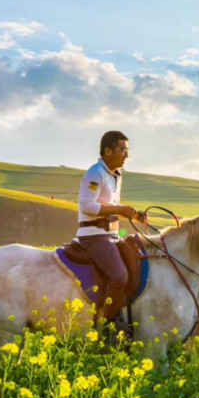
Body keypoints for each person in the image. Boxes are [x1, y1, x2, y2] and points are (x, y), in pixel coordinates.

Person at [77, 130, 145, 327]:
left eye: (127, 150)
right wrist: (121, 208)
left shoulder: (116, 175)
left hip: (111, 235)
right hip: (94, 236)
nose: (127, 155)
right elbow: (87, 207)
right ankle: (106, 325)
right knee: (119, 275)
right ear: (107, 151)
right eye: (122, 150)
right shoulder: (95, 173)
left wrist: (133, 215)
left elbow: (109, 205)